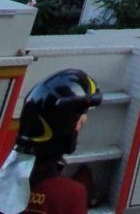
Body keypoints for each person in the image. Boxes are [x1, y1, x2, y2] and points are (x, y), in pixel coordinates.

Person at [0, 69, 101, 214]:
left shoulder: (4, 181)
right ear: (63, 130)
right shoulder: (70, 194)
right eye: (79, 124)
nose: (79, 129)